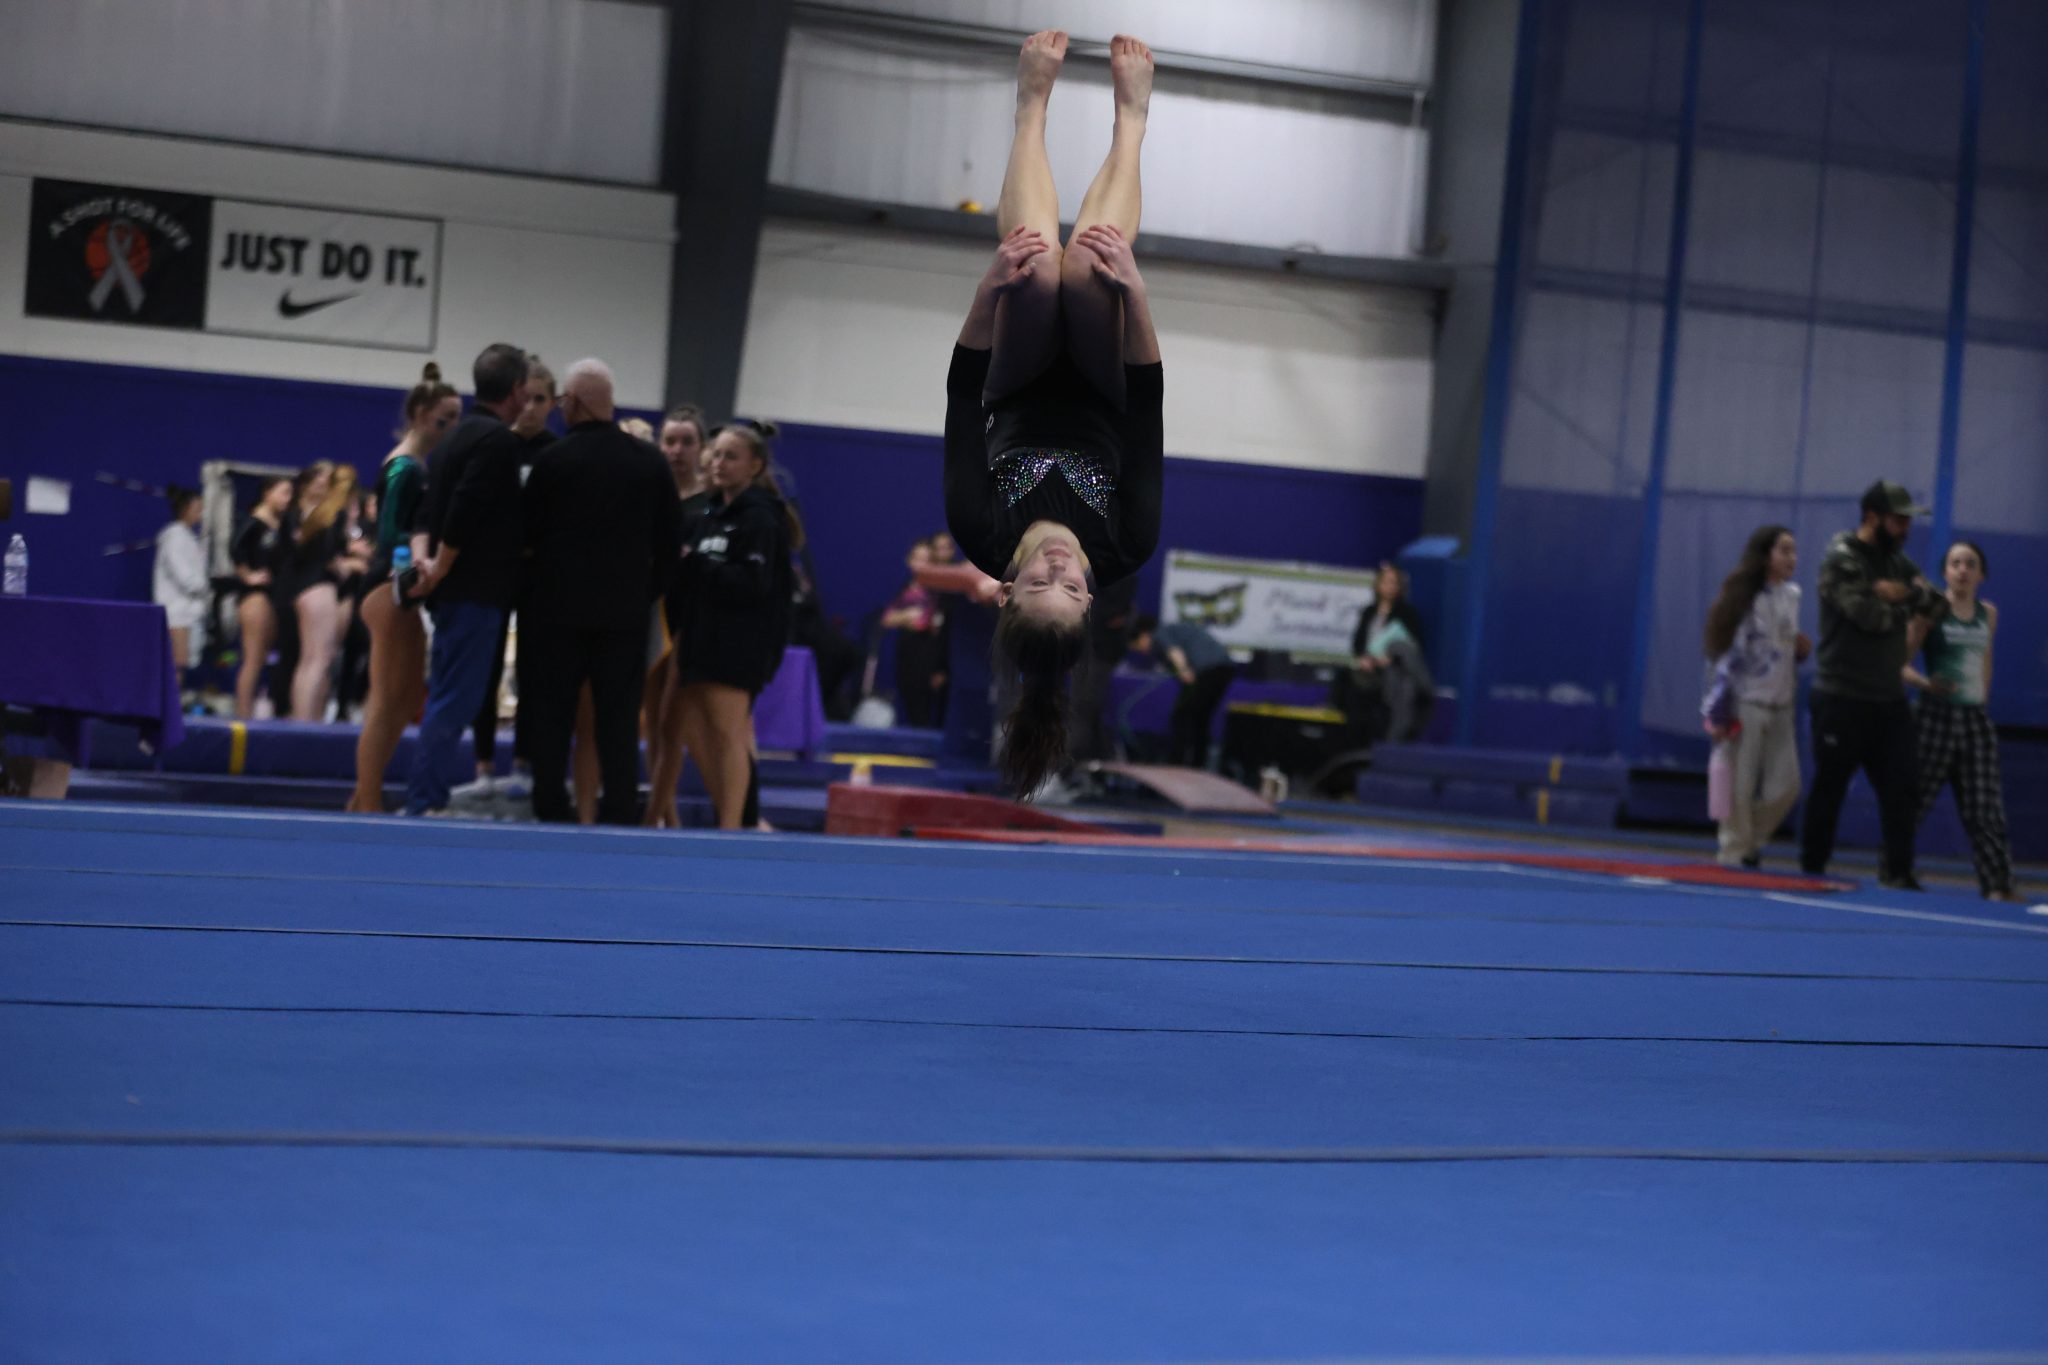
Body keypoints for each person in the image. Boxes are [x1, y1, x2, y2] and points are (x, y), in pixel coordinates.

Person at [944, 30, 1164, 796]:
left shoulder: (980, 530)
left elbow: (963, 396)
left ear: (1005, 589)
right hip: (1106, 388)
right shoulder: (1127, 542)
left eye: (1042, 584)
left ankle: (1030, 107)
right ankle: (1131, 121)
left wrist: (990, 289)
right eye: (1072, 591)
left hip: (1018, 380)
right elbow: (1146, 404)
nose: (1062, 571)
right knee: (1092, 265)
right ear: (1091, 600)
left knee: (1038, 263)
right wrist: (1134, 292)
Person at [520, 359, 681, 825]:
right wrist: (644, 594)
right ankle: (619, 812)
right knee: (619, 721)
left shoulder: (551, 461)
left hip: (556, 614)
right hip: (623, 615)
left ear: (573, 402)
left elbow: (527, 538)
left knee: (553, 717)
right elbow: (670, 545)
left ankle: (550, 807)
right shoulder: (649, 462)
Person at [403, 343, 531, 817]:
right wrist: (441, 565)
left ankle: (426, 798)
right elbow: (464, 507)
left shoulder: (451, 440)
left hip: (456, 590)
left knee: (449, 693)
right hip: (474, 589)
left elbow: (426, 512)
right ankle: (424, 801)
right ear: (516, 390)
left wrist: (426, 562)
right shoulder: (497, 442)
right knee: (456, 698)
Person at [1800, 480, 1947, 886]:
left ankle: (1898, 873)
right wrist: (1907, 601)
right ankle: (1812, 870)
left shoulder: (1898, 564)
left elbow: (1938, 605)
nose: (1906, 529)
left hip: (1888, 699)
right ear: (1872, 517)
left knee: (1903, 787)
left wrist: (1899, 595)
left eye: (1908, 521)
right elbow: (1868, 617)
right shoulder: (1842, 557)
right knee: (1830, 787)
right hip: (1841, 695)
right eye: (1899, 520)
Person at [667, 421, 800, 830]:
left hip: (737, 643)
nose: (720, 463)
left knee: (730, 735)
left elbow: (753, 584)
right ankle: (734, 816)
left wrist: (697, 564)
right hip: (700, 638)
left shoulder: (760, 519)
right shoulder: (710, 513)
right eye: (717, 455)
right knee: (694, 733)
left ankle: (734, 826)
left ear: (755, 465)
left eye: (732, 457)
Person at [345, 363, 458, 813]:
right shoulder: (404, 468)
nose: (452, 428)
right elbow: (392, 532)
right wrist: (420, 558)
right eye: (445, 419)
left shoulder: (416, 466)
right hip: (386, 586)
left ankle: (362, 797)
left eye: (456, 419)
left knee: (409, 695)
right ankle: (368, 801)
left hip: (397, 586)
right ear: (420, 415)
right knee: (386, 698)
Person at [456, 357, 558, 808]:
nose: (531, 408)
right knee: (487, 666)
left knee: (534, 669)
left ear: (553, 403)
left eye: (540, 399)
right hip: (495, 571)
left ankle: (523, 762)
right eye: (526, 398)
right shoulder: (497, 445)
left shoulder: (557, 453)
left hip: (539, 575)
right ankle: (482, 764)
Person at [1905, 541, 2017, 901]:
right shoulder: (1931, 611)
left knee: (1985, 805)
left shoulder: (1989, 614)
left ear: (1981, 574)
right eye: (1955, 563)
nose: (1963, 570)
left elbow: (1986, 662)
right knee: (1915, 799)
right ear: (1945, 572)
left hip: (1974, 720)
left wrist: (1981, 701)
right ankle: (1896, 871)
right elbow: (1899, 665)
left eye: (1970, 564)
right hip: (1935, 716)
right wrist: (1927, 684)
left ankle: (1997, 884)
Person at [1700, 525, 1809, 868]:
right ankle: (1733, 853)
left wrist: (1798, 649)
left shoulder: (1792, 595)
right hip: (1745, 702)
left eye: (1794, 551)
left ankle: (1748, 841)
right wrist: (1718, 710)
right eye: (1784, 551)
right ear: (1765, 555)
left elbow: (1781, 641)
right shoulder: (1746, 598)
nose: (1792, 558)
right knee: (1740, 785)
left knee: (1786, 786)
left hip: (1782, 703)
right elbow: (1728, 658)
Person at [644, 404, 713, 828]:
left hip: (693, 620)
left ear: (702, 448)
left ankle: (668, 815)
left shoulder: (711, 502)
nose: (677, 450)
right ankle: (665, 815)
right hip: (653, 614)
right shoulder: (651, 495)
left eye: (687, 442)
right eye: (670, 441)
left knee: (680, 724)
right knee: (654, 722)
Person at [274, 462, 355, 720]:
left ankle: (306, 720)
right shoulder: (330, 516)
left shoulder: (309, 517)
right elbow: (328, 554)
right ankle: (305, 722)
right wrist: (344, 566)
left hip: (302, 587)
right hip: (317, 586)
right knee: (318, 660)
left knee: (311, 660)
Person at [1333, 562, 1433, 747]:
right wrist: (1364, 658)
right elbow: (1358, 643)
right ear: (1378, 584)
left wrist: (1390, 659)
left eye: (1394, 583)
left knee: (1398, 687)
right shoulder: (1369, 611)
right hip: (1369, 665)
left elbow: (1414, 646)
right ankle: (1350, 741)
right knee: (1345, 680)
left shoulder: (1406, 612)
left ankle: (1387, 741)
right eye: (1386, 582)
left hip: (1393, 667)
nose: (1390, 587)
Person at [1130, 614, 1234, 769]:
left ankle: (1176, 764)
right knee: (1200, 718)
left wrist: (1184, 671)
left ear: (1144, 636)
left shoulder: (1160, 633)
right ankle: (1198, 764)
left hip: (1209, 670)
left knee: (1182, 716)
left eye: (1138, 646)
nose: (1142, 651)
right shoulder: (1171, 636)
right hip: (1225, 669)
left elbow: (1174, 651)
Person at [229, 477, 293, 718]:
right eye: (284, 492)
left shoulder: (281, 525)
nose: (288, 499)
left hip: (272, 596)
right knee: (253, 659)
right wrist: (247, 575)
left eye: (290, 494)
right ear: (267, 493)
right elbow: (234, 548)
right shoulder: (253, 521)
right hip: (255, 598)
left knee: (263, 658)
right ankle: (243, 714)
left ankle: (253, 709)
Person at [882, 539, 949, 727]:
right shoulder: (907, 588)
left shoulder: (940, 591)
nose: (921, 564)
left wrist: (941, 668)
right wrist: (906, 616)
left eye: (926, 560)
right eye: (917, 559)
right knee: (910, 705)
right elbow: (887, 618)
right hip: (906, 654)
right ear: (909, 560)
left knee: (925, 712)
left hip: (929, 657)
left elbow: (924, 623)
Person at [152, 486, 210, 680]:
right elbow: (186, 577)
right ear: (185, 509)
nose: (201, 513)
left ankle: (175, 698)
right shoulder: (174, 536)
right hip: (176, 614)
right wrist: (205, 587)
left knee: (181, 665)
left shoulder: (188, 536)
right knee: (176, 667)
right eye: (198, 509)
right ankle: (171, 700)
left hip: (187, 613)